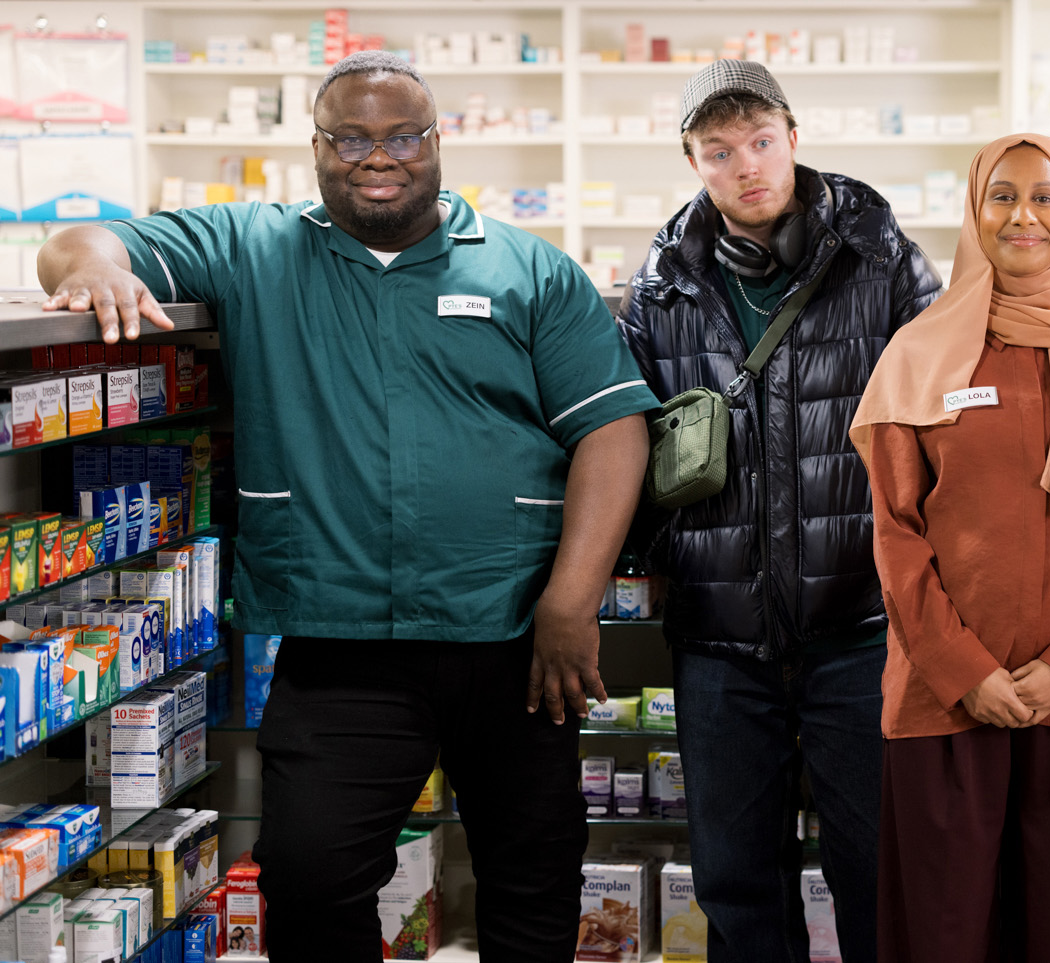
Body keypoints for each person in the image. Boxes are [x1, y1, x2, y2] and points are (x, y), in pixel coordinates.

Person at [37, 51, 657, 963]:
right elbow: (80, 243)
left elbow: (612, 427)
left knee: (533, 870)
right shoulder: (252, 246)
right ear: (316, 147)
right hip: (342, 642)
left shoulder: (529, 269)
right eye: (352, 138)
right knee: (310, 874)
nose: (379, 156)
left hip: (513, 637)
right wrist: (96, 270)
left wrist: (571, 599)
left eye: (403, 135)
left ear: (436, 142)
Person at [617, 59, 941, 962]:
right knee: (735, 882)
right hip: (720, 639)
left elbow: (942, 417)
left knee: (879, 870)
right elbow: (627, 441)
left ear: (793, 139)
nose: (746, 165)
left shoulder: (884, 259)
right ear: (692, 160)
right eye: (719, 151)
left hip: (862, 628)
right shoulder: (662, 286)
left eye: (761, 142)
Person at [850, 133, 1050, 963]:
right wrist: (965, 671)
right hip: (942, 701)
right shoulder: (918, 355)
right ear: (973, 209)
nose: (1023, 214)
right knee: (942, 932)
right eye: (1002, 195)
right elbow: (895, 536)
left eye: (1044, 196)